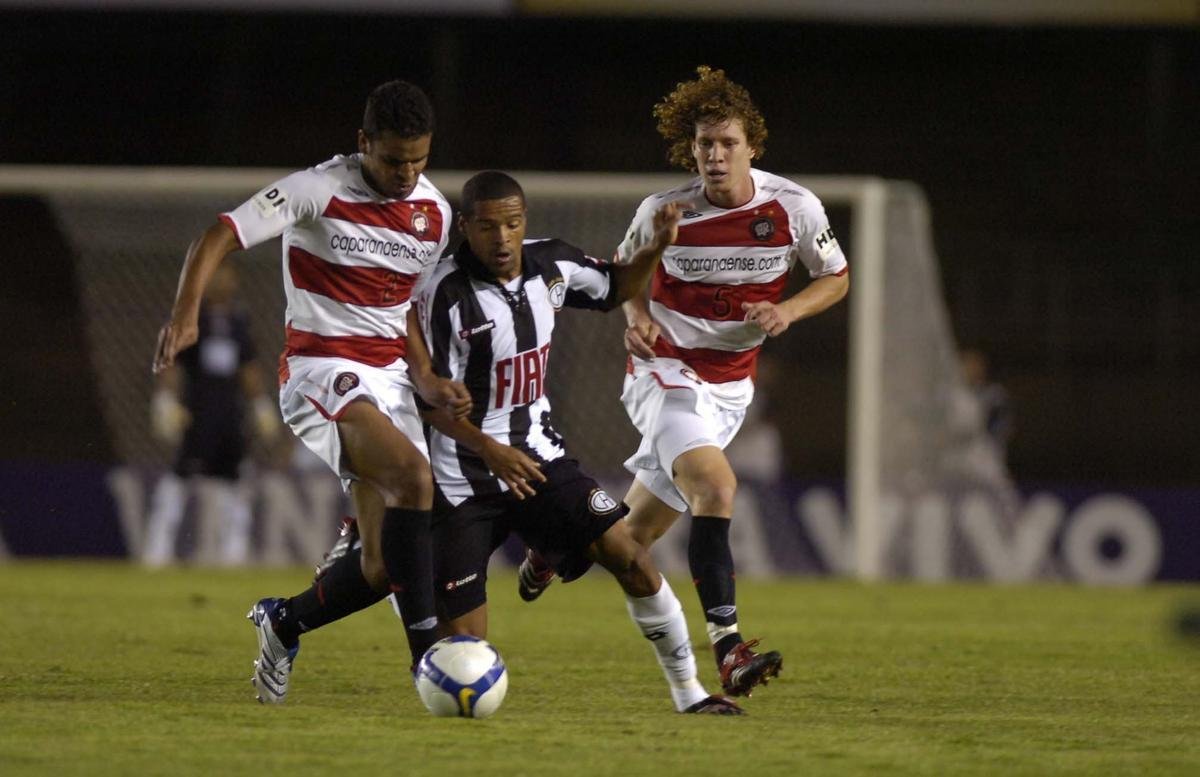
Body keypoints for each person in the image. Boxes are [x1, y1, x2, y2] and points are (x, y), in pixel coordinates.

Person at [521, 66, 850, 698]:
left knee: (632, 539)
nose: (716, 156)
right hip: (664, 374)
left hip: (729, 390)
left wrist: (787, 310)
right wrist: (638, 317)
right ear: (690, 149)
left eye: (728, 143)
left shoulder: (794, 208)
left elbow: (835, 276)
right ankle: (728, 648)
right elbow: (622, 278)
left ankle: (554, 548)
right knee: (717, 487)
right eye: (704, 144)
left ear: (753, 145)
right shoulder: (664, 212)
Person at [152, 79, 471, 704]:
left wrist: (428, 375)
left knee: (382, 569)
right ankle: (429, 660)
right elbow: (217, 234)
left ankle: (283, 621)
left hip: (392, 382)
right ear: (362, 143)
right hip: (320, 369)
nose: (406, 173)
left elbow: (403, 301)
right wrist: (186, 313)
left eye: (418, 159)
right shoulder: (315, 190)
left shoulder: (433, 213)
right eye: (392, 159)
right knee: (413, 477)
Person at [410, 170, 742, 714]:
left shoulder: (552, 264)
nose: (502, 239)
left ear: (525, 224)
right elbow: (427, 400)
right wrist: (488, 447)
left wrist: (655, 246)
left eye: (513, 224)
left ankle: (691, 694)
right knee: (466, 652)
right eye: (488, 227)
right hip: (462, 480)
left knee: (629, 555)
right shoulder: (441, 296)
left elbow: (614, 289)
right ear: (465, 227)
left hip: (539, 459)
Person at [144, 263, 281, 567]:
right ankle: (158, 547)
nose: (225, 279)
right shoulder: (192, 318)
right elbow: (172, 361)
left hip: (230, 416)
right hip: (197, 414)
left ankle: (234, 552)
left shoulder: (238, 321)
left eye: (228, 273)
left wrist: (260, 405)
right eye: (217, 274)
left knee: (237, 482)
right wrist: (166, 399)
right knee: (179, 479)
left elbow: (248, 367)